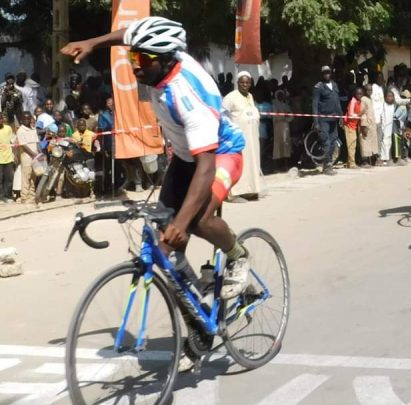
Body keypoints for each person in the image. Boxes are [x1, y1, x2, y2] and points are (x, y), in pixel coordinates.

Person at [61, 16, 250, 372]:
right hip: (185, 155)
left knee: (197, 221)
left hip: (222, 153)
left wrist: (182, 221)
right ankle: (199, 318)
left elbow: (206, 169)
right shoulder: (154, 58)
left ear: (165, 59)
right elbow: (125, 34)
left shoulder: (187, 94)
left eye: (142, 62)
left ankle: (238, 255)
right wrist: (91, 42)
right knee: (165, 251)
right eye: (133, 60)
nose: (135, 68)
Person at [224, 71, 263, 200]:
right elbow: (222, 114)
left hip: (252, 137)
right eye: (242, 82)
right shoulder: (231, 97)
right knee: (239, 163)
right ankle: (234, 193)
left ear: (250, 83)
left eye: (247, 82)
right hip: (238, 138)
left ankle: (250, 190)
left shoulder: (250, 96)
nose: (244, 85)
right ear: (237, 83)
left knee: (252, 162)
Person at [312, 66, 343, 175]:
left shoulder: (334, 85)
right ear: (322, 74)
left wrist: (341, 116)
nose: (327, 74)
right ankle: (326, 165)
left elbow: (337, 102)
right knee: (326, 142)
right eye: (324, 73)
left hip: (334, 119)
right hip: (323, 119)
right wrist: (316, 122)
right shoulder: (318, 87)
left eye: (328, 72)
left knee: (334, 142)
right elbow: (315, 105)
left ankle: (329, 163)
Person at [14, 111, 39, 203]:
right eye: (25, 119)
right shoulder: (21, 130)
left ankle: (31, 195)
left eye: (29, 118)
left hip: (35, 157)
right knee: (26, 177)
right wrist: (34, 154)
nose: (27, 120)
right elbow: (24, 145)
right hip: (26, 157)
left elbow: (37, 143)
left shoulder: (33, 129)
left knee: (33, 177)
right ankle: (24, 197)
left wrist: (39, 154)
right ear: (22, 120)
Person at [271, 89, 293, 170]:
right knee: (277, 145)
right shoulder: (274, 105)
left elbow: (291, 116)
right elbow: (276, 116)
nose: (280, 96)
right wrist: (284, 115)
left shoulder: (286, 105)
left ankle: (286, 165)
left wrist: (286, 117)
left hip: (285, 127)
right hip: (277, 126)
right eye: (279, 95)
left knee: (286, 144)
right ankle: (276, 166)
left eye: (281, 95)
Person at [343, 87, 363, 169]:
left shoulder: (360, 101)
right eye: (358, 94)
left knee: (352, 144)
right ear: (355, 94)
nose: (359, 95)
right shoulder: (353, 101)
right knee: (352, 144)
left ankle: (349, 162)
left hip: (354, 125)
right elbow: (351, 115)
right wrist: (359, 116)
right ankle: (352, 163)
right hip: (349, 125)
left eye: (361, 94)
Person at [360, 84, 378, 167]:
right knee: (365, 142)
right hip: (366, 125)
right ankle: (364, 161)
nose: (369, 91)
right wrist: (363, 125)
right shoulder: (363, 99)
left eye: (371, 90)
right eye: (368, 90)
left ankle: (372, 159)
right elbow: (362, 113)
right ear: (364, 90)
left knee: (371, 142)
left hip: (371, 125)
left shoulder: (369, 98)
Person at [378, 89, 396, 165]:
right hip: (384, 126)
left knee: (389, 142)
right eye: (388, 96)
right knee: (384, 142)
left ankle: (388, 158)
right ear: (385, 97)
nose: (390, 98)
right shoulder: (383, 105)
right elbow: (381, 115)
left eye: (391, 96)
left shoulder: (393, 105)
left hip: (390, 126)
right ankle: (383, 158)